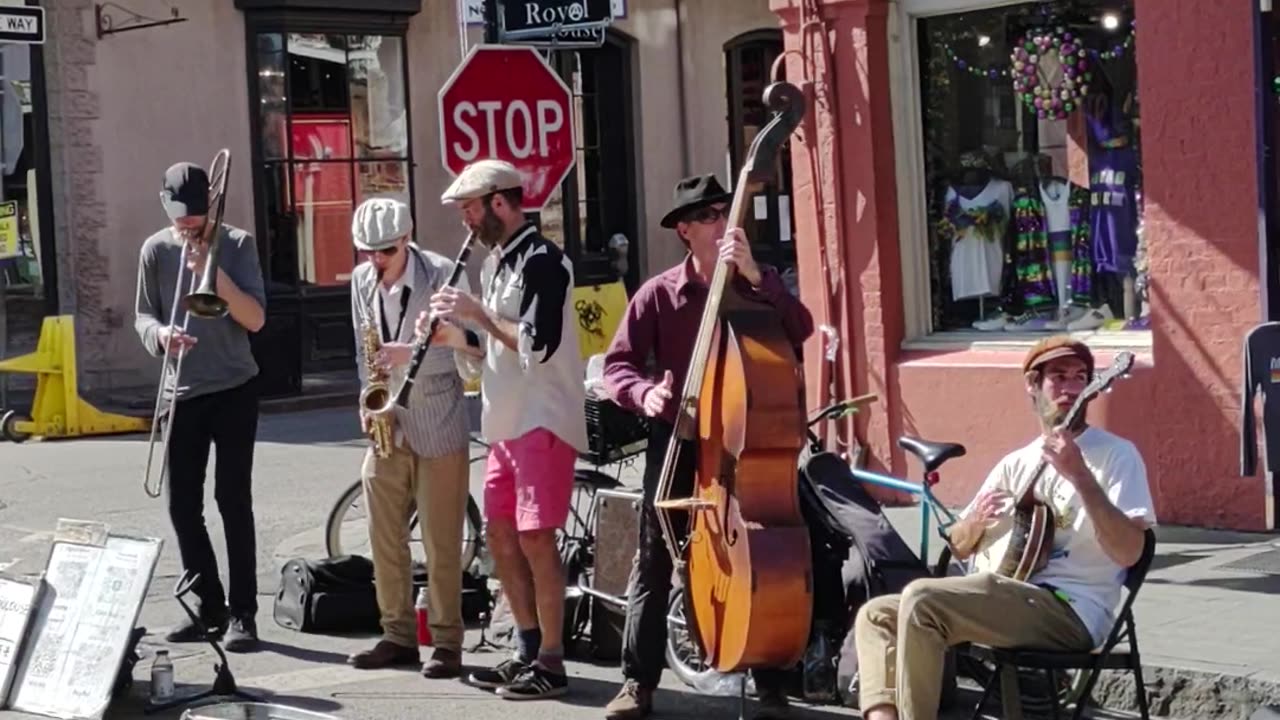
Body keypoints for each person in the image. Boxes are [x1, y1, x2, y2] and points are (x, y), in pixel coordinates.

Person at [600, 173, 817, 720]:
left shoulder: (756, 283)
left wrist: (756, 277)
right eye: (711, 216)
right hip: (676, 438)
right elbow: (616, 366)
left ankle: (770, 681)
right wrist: (644, 392)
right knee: (654, 557)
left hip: (744, 445)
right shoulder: (659, 293)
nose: (724, 224)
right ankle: (637, 682)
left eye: (727, 212)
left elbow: (801, 329)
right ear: (685, 231)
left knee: (763, 554)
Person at [853, 336, 1156, 720]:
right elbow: (961, 547)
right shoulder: (1017, 463)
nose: (1071, 388)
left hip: (1072, 610)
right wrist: (976, 521)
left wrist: (1079, 474)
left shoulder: (1116, 455)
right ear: (1032, 385)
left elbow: (1130, 552)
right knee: (877, 614)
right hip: (1007, 599)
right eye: (1058, 377)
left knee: (922, 597)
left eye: (1081, 377)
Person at [419, 159, 587, 701]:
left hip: (542, 416)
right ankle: (526, 646)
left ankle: (553, 662)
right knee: (501, 538)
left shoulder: (545, 261)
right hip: (504, 423)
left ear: (498, 202)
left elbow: (535, 345)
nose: (466, 220)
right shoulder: (495, 266)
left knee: (538, 538)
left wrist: (475, 312)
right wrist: (456, 339)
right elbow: (495, 348)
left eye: (470, 207)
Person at [133, 161, 267, 652]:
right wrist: (160, 336)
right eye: (180, 220)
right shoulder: (155, 249)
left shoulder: (237, 244)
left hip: (234, 387)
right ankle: (208, 604)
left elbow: (255, 320)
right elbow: (142, 316)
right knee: (181, 505)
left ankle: (244, 614)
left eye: (195, 220)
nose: (187, 229)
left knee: (233, 501)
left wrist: (214, 271)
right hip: (181, 392)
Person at [344, 197, 475, 679]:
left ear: (407, 237)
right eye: (367, 252)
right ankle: (397, 634)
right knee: (383, 535)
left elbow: (467, 353)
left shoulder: (443, 274)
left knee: (442, 541)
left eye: (385, 251)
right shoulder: (362, 281)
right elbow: (365, 347)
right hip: (388, 422)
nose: (375, 261)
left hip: (437, 419)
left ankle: (446, 642)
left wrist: (410, 353)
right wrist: (368, 396)